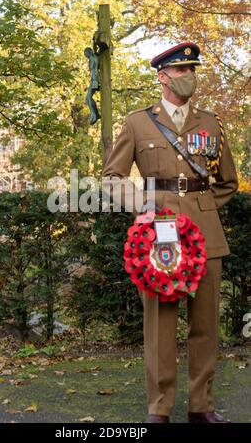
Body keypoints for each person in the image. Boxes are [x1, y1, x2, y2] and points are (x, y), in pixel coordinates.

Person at [102, 42, 238, 423]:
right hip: (157, 235)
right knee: (160, 326)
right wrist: (143, 208)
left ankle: (201, 407)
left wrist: (202, 210)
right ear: (162, 77)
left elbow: (227, 181)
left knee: (206, 325)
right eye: (181, 71)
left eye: (192, 70)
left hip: (206, 237)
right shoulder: (137, 122)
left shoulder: (211, 123)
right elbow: (111, 178)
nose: (189, 77)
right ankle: (159, 409)